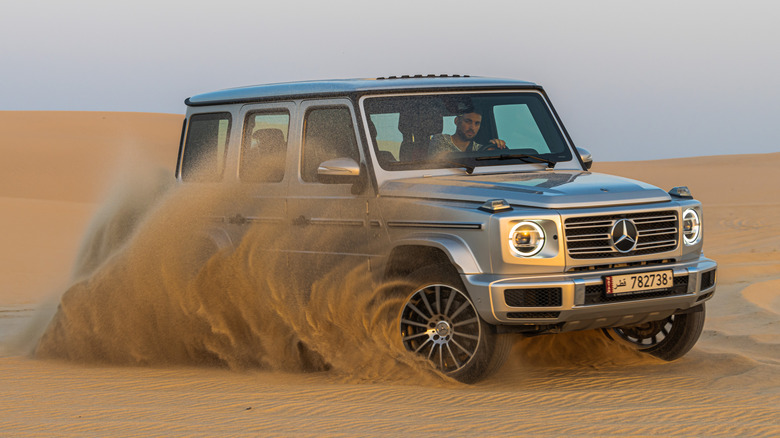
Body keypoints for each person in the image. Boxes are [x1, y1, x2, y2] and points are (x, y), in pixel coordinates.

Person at [428, 104, 506, 157]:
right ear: (456, 121)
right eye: (468, 121)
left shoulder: (479, 148)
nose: (472, 127)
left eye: (477, 123)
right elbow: (440, 161)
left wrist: (496, 148)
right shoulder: (440, 139)